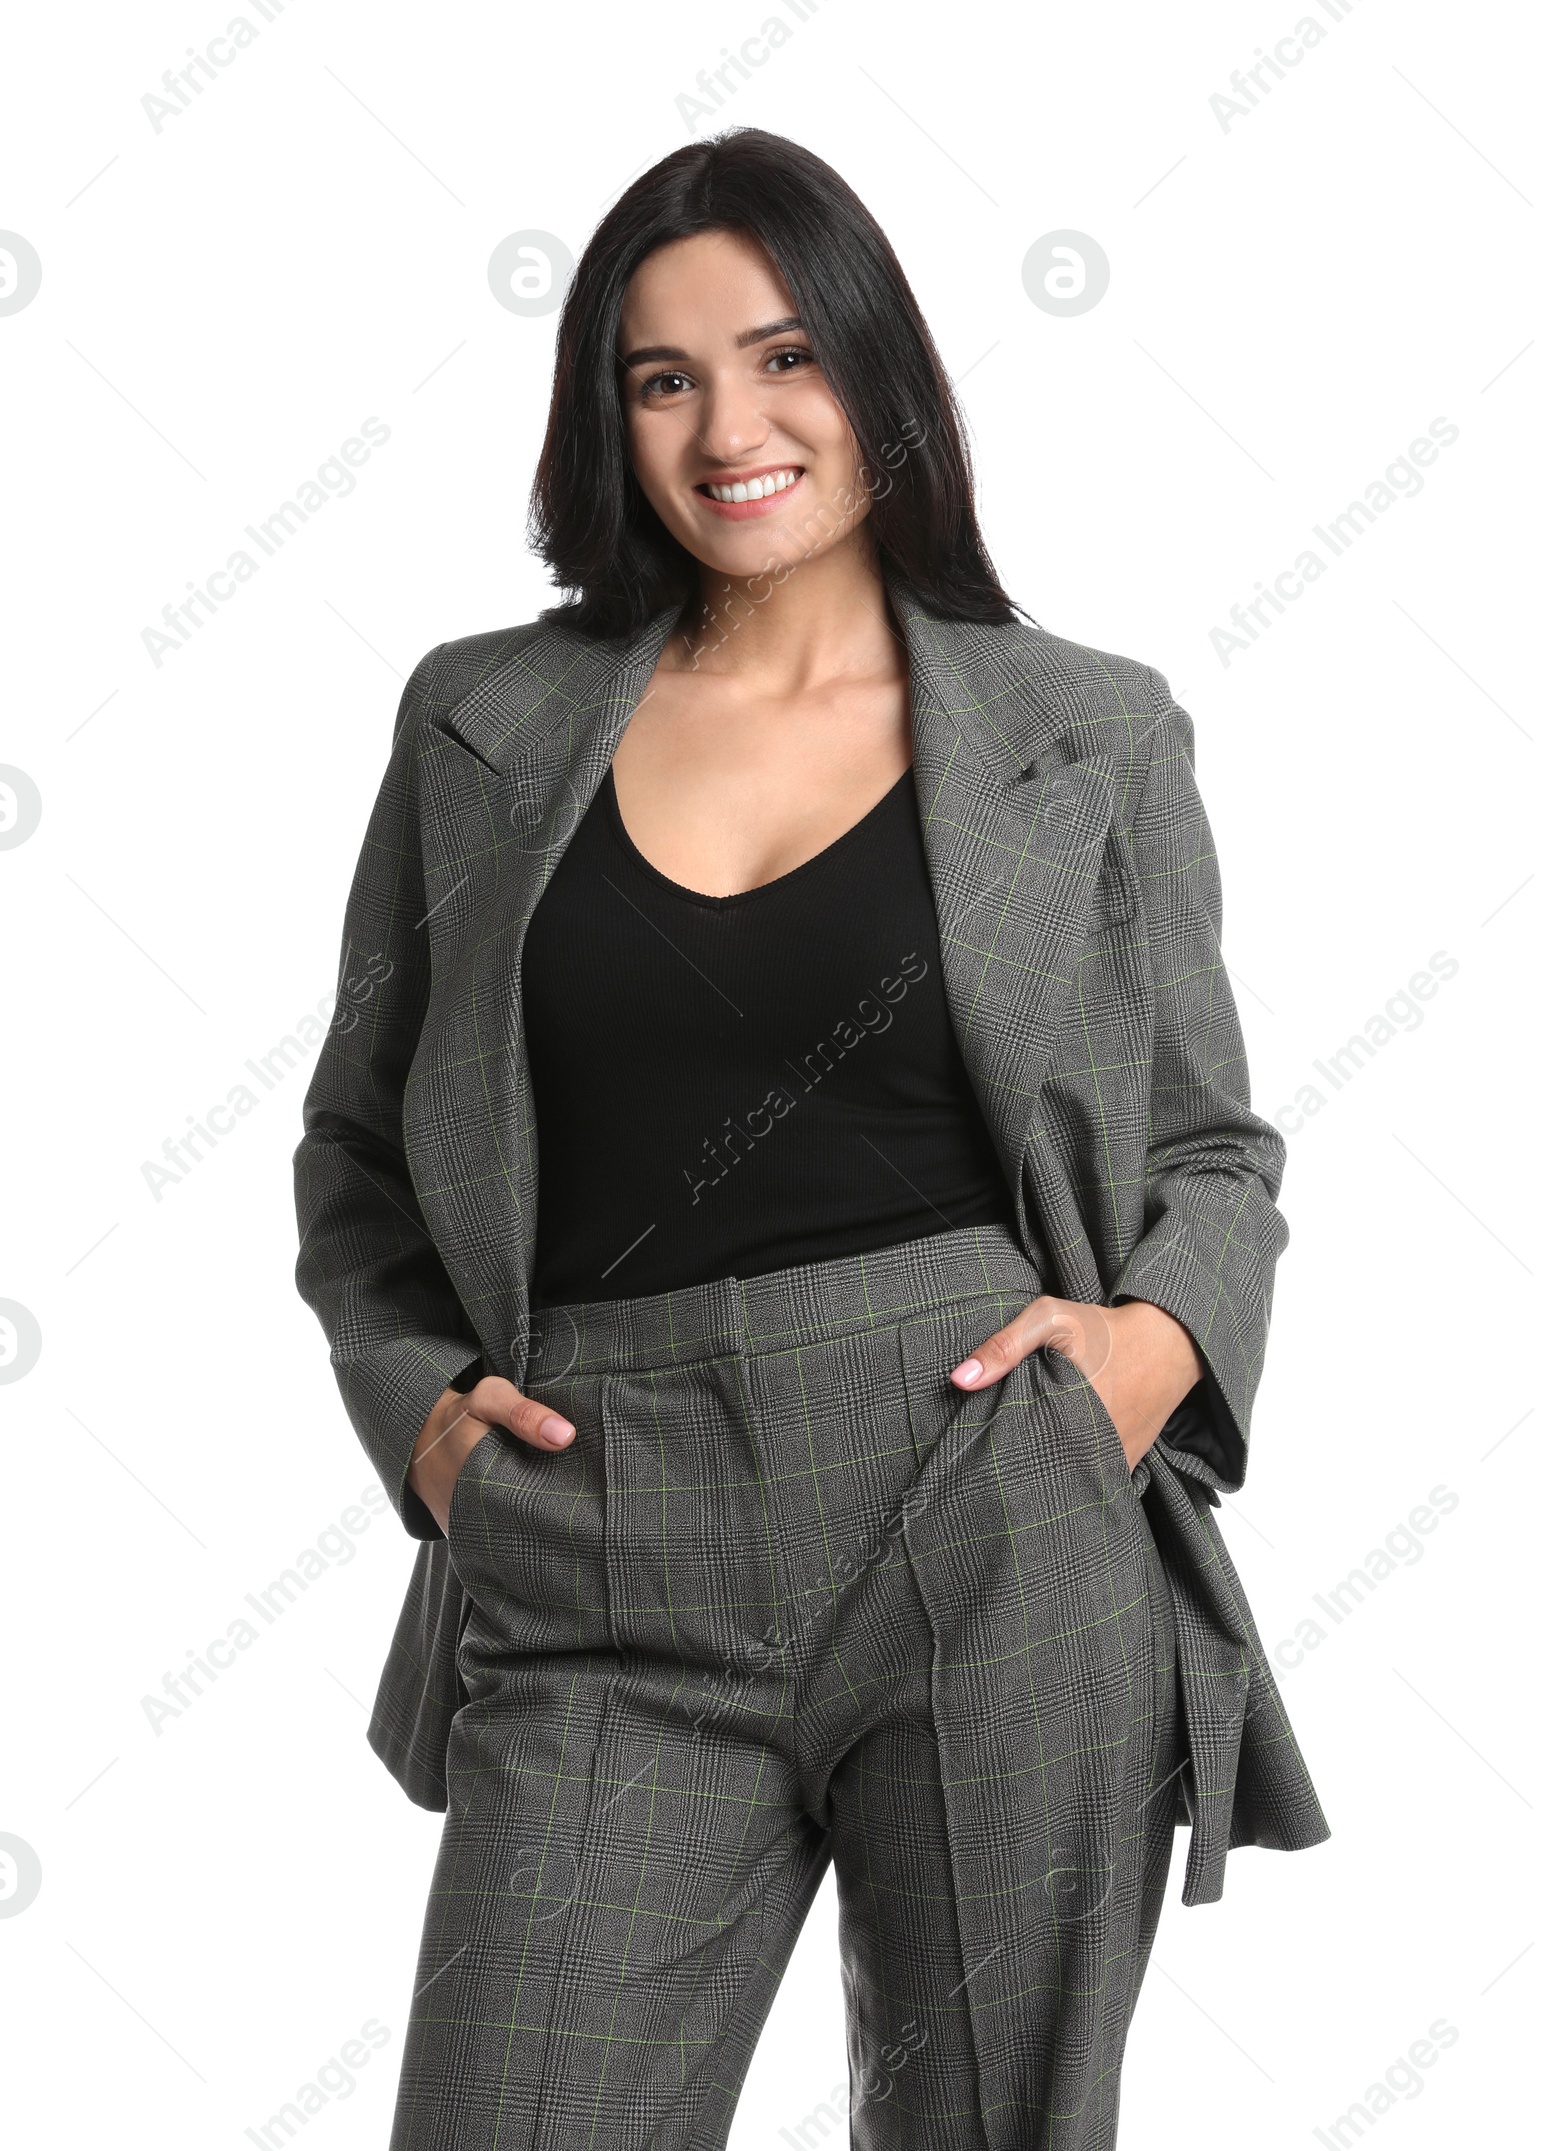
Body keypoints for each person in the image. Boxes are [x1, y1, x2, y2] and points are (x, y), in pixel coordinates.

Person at [293, 125, 1328, 2151]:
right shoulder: (477, 723)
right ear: (608, 418)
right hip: (594, 1521)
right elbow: (355, 1144)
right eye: (659, 377)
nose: (727, 426)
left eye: (784, 357)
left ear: (879, 379)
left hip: (987, 1494)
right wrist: (421, 1413)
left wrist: (1132, 1364)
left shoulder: (1082, 727)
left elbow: (1208, 1149)